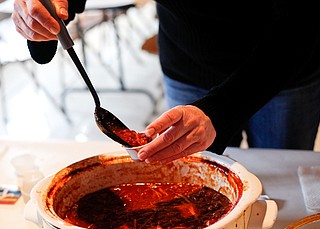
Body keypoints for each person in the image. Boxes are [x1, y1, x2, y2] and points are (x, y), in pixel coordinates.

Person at [12, 0, 320, 164]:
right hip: (187, 61)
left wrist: (220, 110)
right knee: (197, 181)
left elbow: (301, 25)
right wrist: (39, 14)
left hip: (283, 71)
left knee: (283, 185)